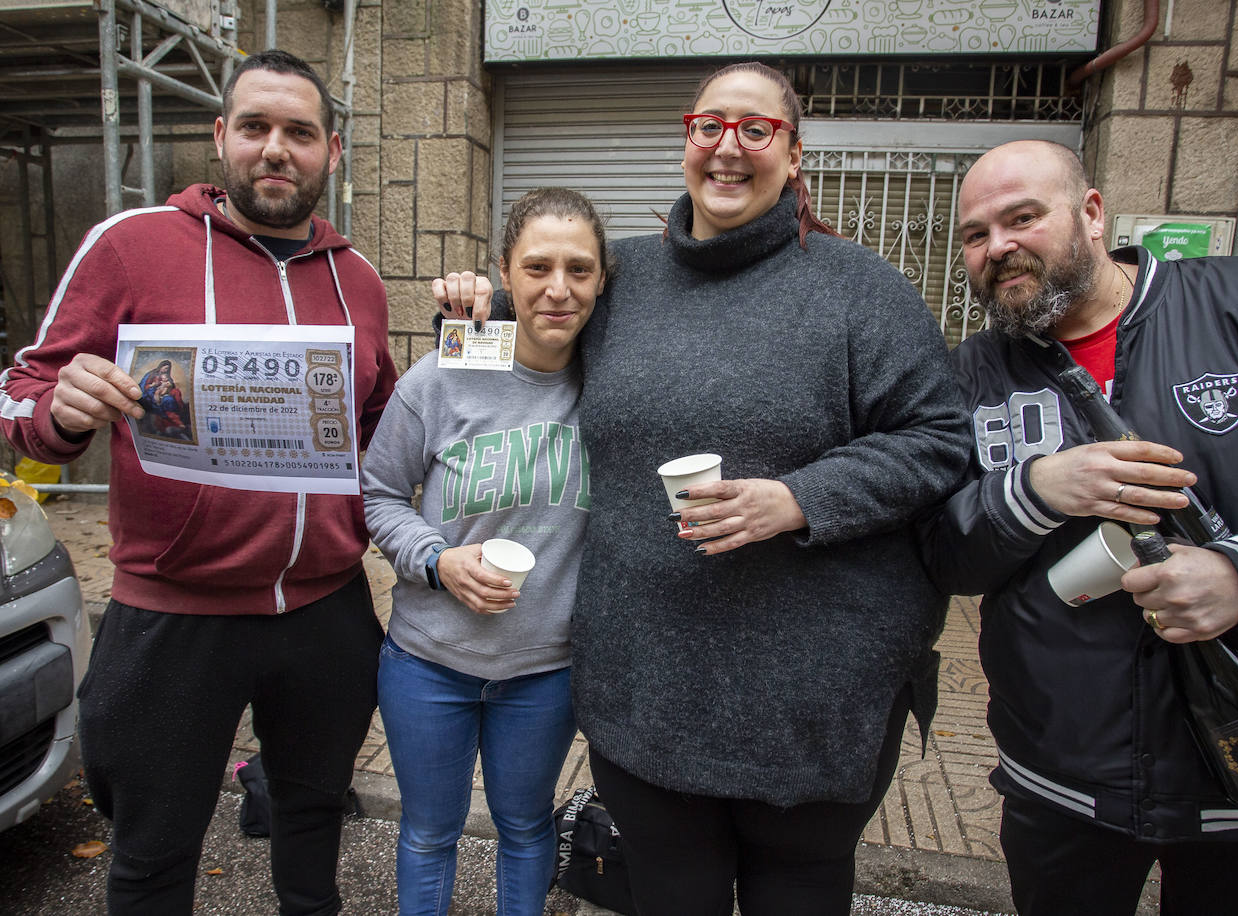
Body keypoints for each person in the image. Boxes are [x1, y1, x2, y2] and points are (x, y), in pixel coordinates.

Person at [438, 61, 970, 914]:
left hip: (809, 702)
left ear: (794, 153)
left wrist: (799, 498)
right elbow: (527, 328)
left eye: (756, 129)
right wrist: (471, 307)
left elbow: (943, 440)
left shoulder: (860, 291)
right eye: (709, 126)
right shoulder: (625, 279)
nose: (730, 148)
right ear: (686, 140)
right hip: (646, 690)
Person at [919, 139, 1238, 915]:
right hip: (1063, 774)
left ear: (1092, 214)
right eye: (975, 234)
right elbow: (938, 549)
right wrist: (1033, 491)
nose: (999, 247)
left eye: (1023, 217)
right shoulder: (969, 377)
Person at [0, 50, 397, 915]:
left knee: (312, 825)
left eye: (300, 132)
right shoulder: (131, 246)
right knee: (150, 855)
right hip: (175, 614)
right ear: (222, 138)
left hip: (327, 611)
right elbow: (21, 392)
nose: (276, 150)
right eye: (256, 127)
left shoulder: (358, 281)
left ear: (332, 149)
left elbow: (378, 430)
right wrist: (61, 412)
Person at [362, 187, 606, 916]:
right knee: (430, 831)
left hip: (545, 671)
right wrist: (437, 560)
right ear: (504, 270)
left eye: (580, 269)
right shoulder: (445, 373)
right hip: (428, 660)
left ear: (602, 280)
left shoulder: (614, 384)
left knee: (527, 826)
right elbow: (378, 495)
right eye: (536, 267)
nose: (557, 289)